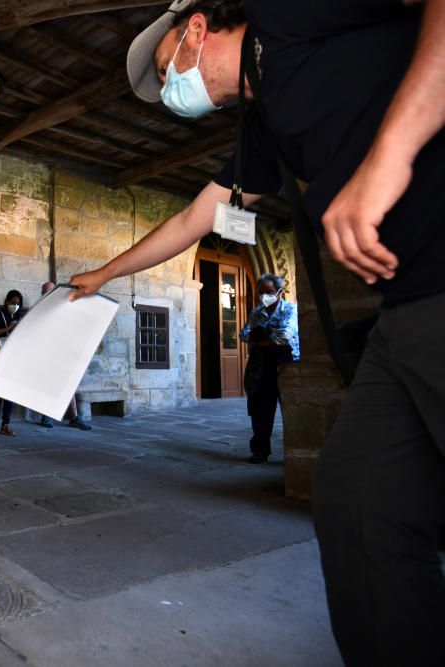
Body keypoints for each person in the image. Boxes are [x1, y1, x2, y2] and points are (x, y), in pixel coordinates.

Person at [67, 1, 445, 663]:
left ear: (195, 29)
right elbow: (193, 220)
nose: (168, 93)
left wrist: (390, 156)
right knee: (355, 500)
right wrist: (102, 274)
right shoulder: (263, 123)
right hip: (406, 307)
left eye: (165, 71)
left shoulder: (290, 14)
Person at [239, 273, 299, 464]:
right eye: (262, 292)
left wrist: (261, 338)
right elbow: (243, 334)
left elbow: (285, 335)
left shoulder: (290, 309)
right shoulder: (256, 312)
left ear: (280, 292)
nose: (265, 296)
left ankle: (295, 452)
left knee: (291, 411)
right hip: (262, 366)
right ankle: (260, 450)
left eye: (270, 292)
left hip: (286, 364)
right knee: (260, 410)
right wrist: (265, 337)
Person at [38, 281, 93, 430]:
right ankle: (47, 416)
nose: (50, 293)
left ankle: (74, 417)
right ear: (43, 293)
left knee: (69, 383)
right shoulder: (39, 308)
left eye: (52, 290)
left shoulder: (63, 306)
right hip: (48, 352)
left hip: (64, 350)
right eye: (47, 291)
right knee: (49, 384)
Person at [0, 290, 24, 436]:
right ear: (7, 301)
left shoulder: (19, 316)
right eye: (13, 302)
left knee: (9, 392)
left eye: (18, 303)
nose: (15, 305)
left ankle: (6, 424)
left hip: (13, 356)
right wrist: (9, 328)